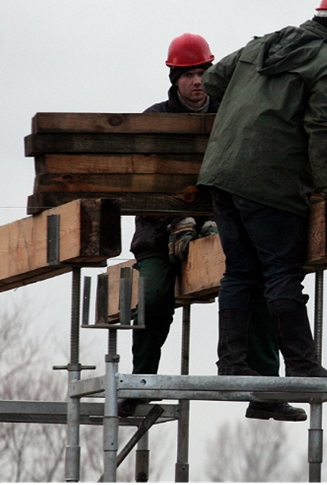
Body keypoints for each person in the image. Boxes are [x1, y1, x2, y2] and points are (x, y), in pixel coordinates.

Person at [196, 0, 327, 412]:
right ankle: (302, 365)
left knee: (240, 272)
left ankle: (232, 365)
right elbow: (324, 130)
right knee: (281, 274)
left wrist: (249, 102)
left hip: (220, 173)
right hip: (269, 182)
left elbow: (214, 81)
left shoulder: (267, 42)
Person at [119, 33, 296, 421]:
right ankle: (138, 383)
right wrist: (177, 222)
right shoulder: (156, 120)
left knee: (261, 287)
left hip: (227, 225)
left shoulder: (231, 115)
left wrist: (216, 220)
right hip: (159, 237)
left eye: (203, 73)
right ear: (174, 79)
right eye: (188, 75)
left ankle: (266, 389)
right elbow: (144, 187)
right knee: (152, 295)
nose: (197, 81)